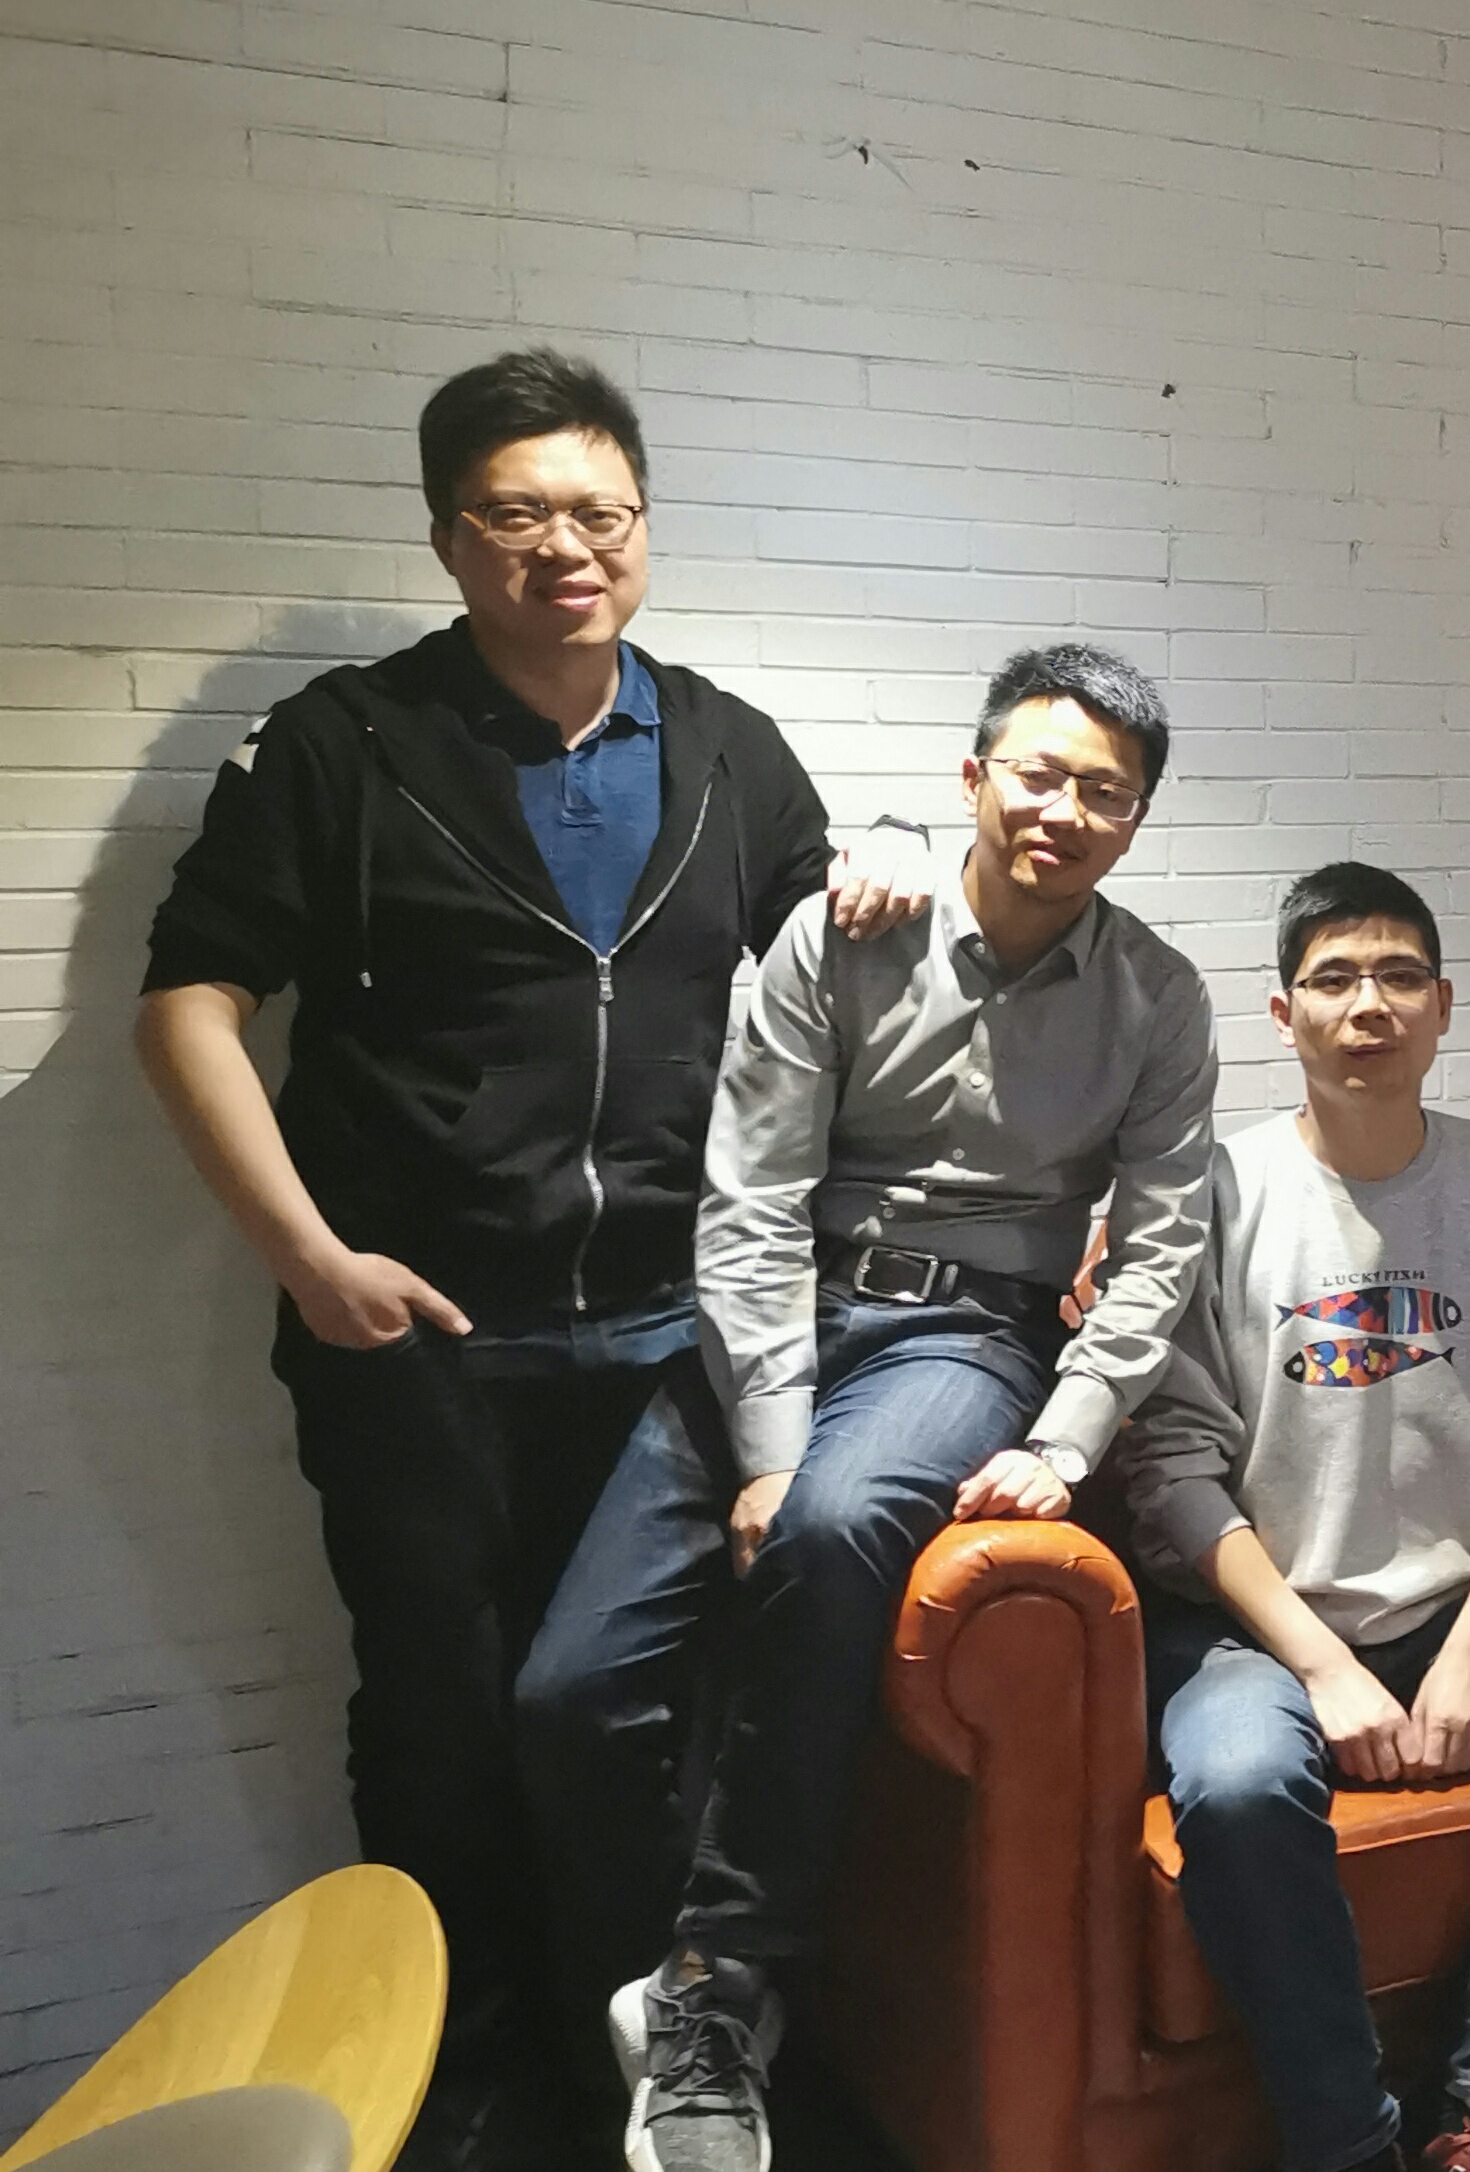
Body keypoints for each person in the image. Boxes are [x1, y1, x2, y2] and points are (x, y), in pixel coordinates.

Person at [130, 350, 923, 2169]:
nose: (565, 546)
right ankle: (460, 2079)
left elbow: (840, 994)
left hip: (668, 1344)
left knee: (630, 1718)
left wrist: (892, 846)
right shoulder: (345, 744)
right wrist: (310, 1258)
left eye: (598, 511)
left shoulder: (724, 746)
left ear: (643, 526)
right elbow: (186, 1005)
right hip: (414, 1345)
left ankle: (639, 2062)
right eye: (518, 513)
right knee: (436, 1719)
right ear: (449, 537)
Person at [516, 644, 1221, 2172]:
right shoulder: (840, 934)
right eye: (1039, 773)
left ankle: (716, 1989)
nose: (1065, 810)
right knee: (567, 1692)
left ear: (1136, 820)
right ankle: (645, 2008)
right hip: (776, 1315)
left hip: (966, 1337)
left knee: (836, 1526)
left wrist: (1067, 1436)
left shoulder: (1159, 998)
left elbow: (1162, 1248)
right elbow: (752, 1196)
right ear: (974, 778)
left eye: (1105, 792)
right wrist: (768, 1440)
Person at [1113, 863, 1470, 2172]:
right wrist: (1322, 1666)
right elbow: (1173, 1469)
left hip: (1447, 1609)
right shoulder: (1215, 1189)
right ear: (1282, 1013)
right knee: (1240, 1785)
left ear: (1442, 1005)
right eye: (1334, 978)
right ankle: (1347, 2141)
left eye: (1398, 976)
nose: (1368, 1004)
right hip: (1254, 1630)